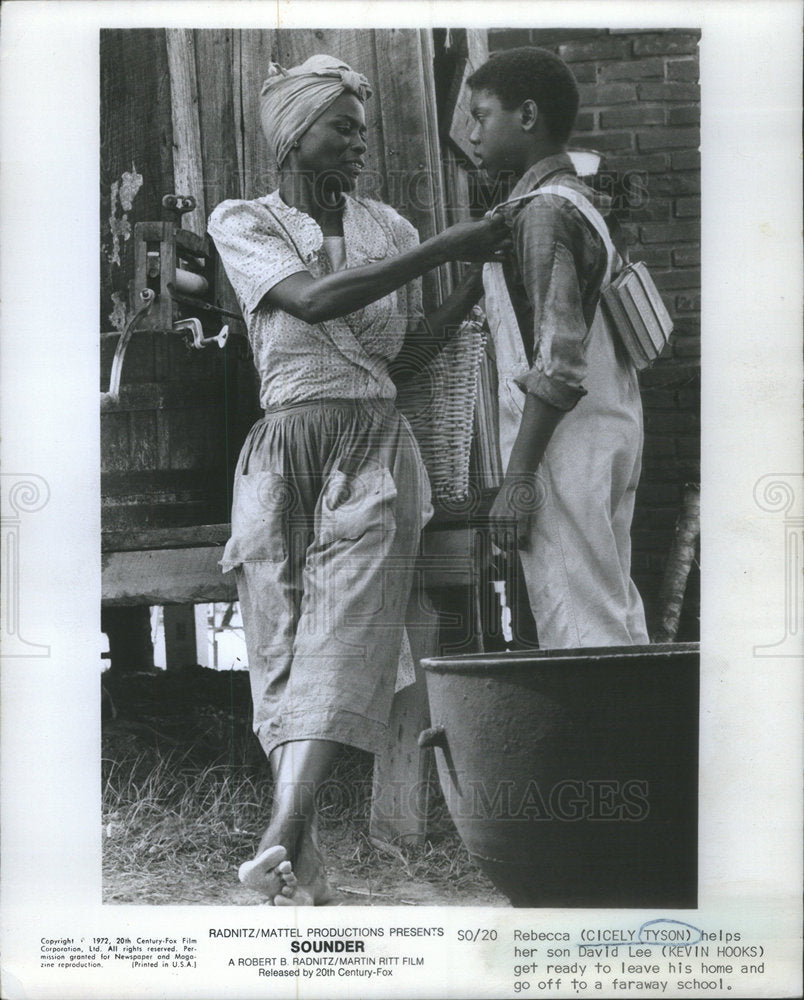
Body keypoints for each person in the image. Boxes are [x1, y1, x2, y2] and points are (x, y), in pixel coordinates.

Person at [207, 54, 507, 905]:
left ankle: (273, 843)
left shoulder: (391, 231)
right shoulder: (246, 222)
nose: (360, 145)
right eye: (344, 128)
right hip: (280, 452)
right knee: (277, 645)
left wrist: (469, 290)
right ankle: (298, 860)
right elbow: (311, 302)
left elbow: (397, 356)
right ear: (296, 135)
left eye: (364, 131)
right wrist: (453, 246)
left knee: (344, 633)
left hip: (373, 446)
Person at [467, 46, 649, 649]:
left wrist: (518, 480)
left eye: (480, 115)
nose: (471, 133)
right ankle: (641, 739)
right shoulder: (576, 201)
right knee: (611, 603)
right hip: (610, 428)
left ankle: (600, 745)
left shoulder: (544, 213)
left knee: (579, 623)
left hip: (563, 445)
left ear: (526, 115)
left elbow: (561, 361)